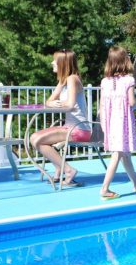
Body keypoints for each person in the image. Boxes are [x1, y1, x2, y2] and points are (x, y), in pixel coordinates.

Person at [30, 49, 91, 187]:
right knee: (34, 137)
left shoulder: (72, 79)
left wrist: (54, 104)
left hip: (79, 129)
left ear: (63, 63)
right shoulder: (63, 81)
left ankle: (68, 170)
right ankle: (60, 168)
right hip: (68, 127)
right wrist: (51, 103)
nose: (52, 63)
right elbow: (48, 101)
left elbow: (70, 105)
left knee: (38, 141)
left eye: (55, 60)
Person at [99, 46, 136, 200]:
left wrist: (103, 125)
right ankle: (105, 189)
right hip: (121, 122)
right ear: (125, 61)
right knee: (117, 154)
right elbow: (132, 102)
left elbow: (101, 106)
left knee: (124, 153)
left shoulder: (104, 81)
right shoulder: (129, 80)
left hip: (108, 122)